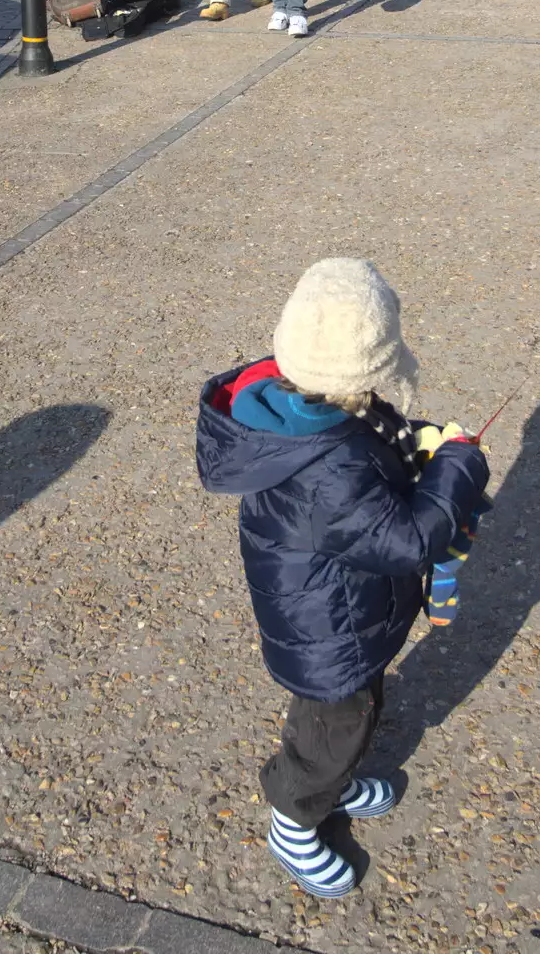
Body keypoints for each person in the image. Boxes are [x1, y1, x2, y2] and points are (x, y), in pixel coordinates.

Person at [196, 257, 490, 899]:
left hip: (335, 609)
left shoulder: (313, 408)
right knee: (337, 723)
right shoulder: (329, 467)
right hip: (331, 629)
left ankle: (335, 779)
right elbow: (404, 539)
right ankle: (295, 818)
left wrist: (417, 445)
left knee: (349, 716)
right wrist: (458, 467)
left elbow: (377, 451)